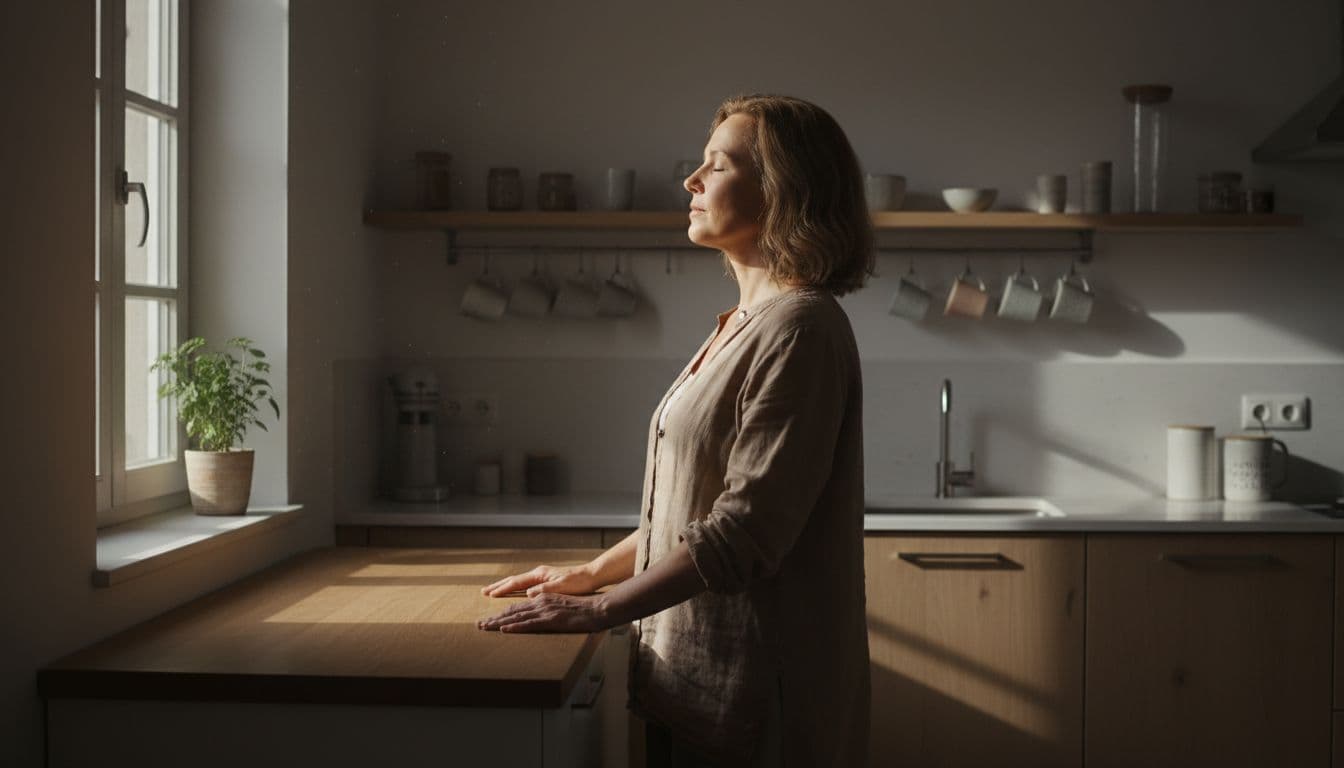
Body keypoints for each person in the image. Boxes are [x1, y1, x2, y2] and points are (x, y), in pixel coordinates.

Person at [478, 93, 874, 767]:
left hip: (761, 692)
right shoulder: (743, 324)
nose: (691, 181)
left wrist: (602, 611)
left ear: (784, 191)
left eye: (717, 165)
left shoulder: (801, 329)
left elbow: (743, 533)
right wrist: (592, 573)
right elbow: (692, 507)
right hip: (697, 682)